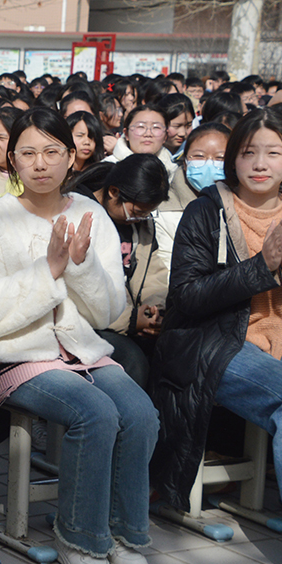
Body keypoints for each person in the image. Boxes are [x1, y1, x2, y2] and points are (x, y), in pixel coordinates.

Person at [0, 107, 157, 564]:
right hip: (13, 353)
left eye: (52, 152)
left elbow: (106, 311)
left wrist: (80, 266)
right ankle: (80, 537)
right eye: (28, 153)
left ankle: (124, 533)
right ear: (11, 159)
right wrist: (49, 270)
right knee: (96, 413)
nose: (40, 163)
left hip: (81, 349)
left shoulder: (90, 214)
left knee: (140, 413)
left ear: (71, 156)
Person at [150, 108, 282, 564]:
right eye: (249, 152)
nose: (260, 163)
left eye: (273, 152)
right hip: (216, 343)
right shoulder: (207, 210)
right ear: (234, 159)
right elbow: (187, 296)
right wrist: (261, 268)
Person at [67, 154, 171, 391]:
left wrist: (154, 311)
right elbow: (79, 286)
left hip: (128, 317)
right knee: (133, 360)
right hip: (86, 322)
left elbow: (153, 271)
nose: (141, 218)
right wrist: (131, 320)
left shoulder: (140, 223)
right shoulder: (78, 215)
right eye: (137, 211)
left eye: (147, 213)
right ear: (113, 192)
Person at [154, 122, 230, 277]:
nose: (209, 163)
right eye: (199, 156)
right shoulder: (163, 212)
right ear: (185, 162)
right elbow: (167, 271)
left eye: (220, 158)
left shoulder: (248, 204)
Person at [105, 104, 177, 179]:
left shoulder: (173, 172)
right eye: (141, 127)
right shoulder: (108, 168)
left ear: (165, 136)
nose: (148, 134)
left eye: (156, 127)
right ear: (126, 134)